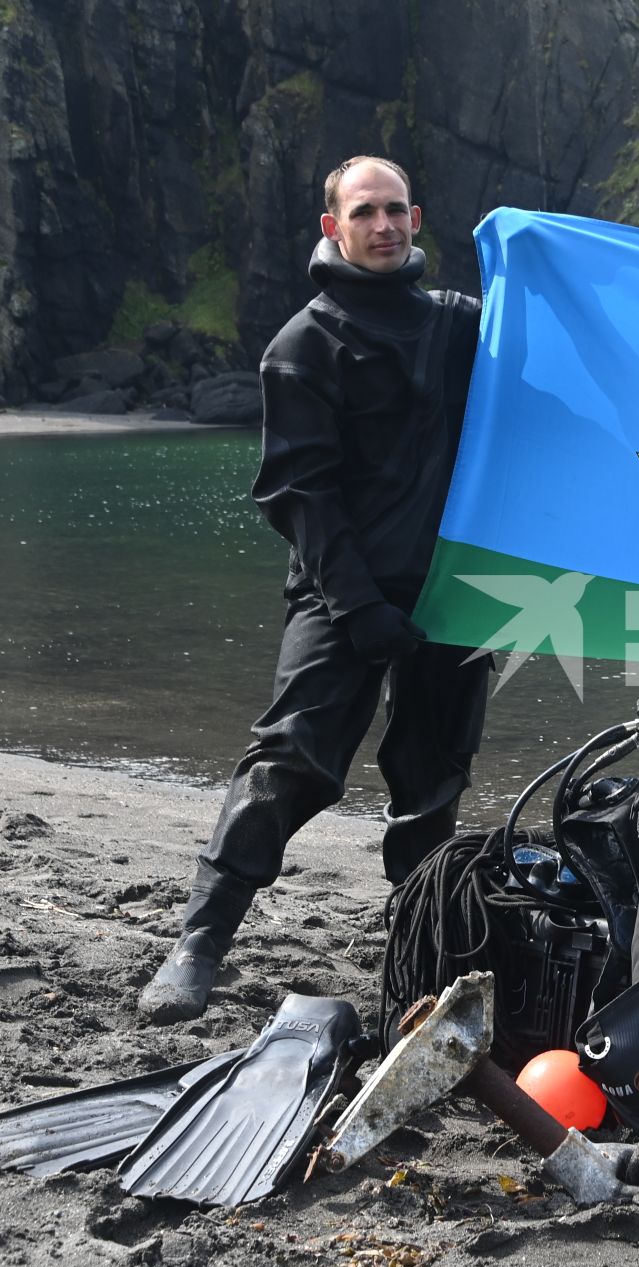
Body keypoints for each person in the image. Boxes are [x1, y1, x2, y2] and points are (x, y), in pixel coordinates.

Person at [139, 156, 491, 1024]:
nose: (384, 226)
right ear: (333, 227)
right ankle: (197, 945)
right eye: (365, 212)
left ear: (418, 220)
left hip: (457, 592)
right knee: (290, 762)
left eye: (397, 211)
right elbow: (299, 494)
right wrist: (360, 606)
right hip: (342, 594)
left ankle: (417, 958)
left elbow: (553, 376)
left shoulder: (460, 327)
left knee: (433, 776)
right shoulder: (302, 345)